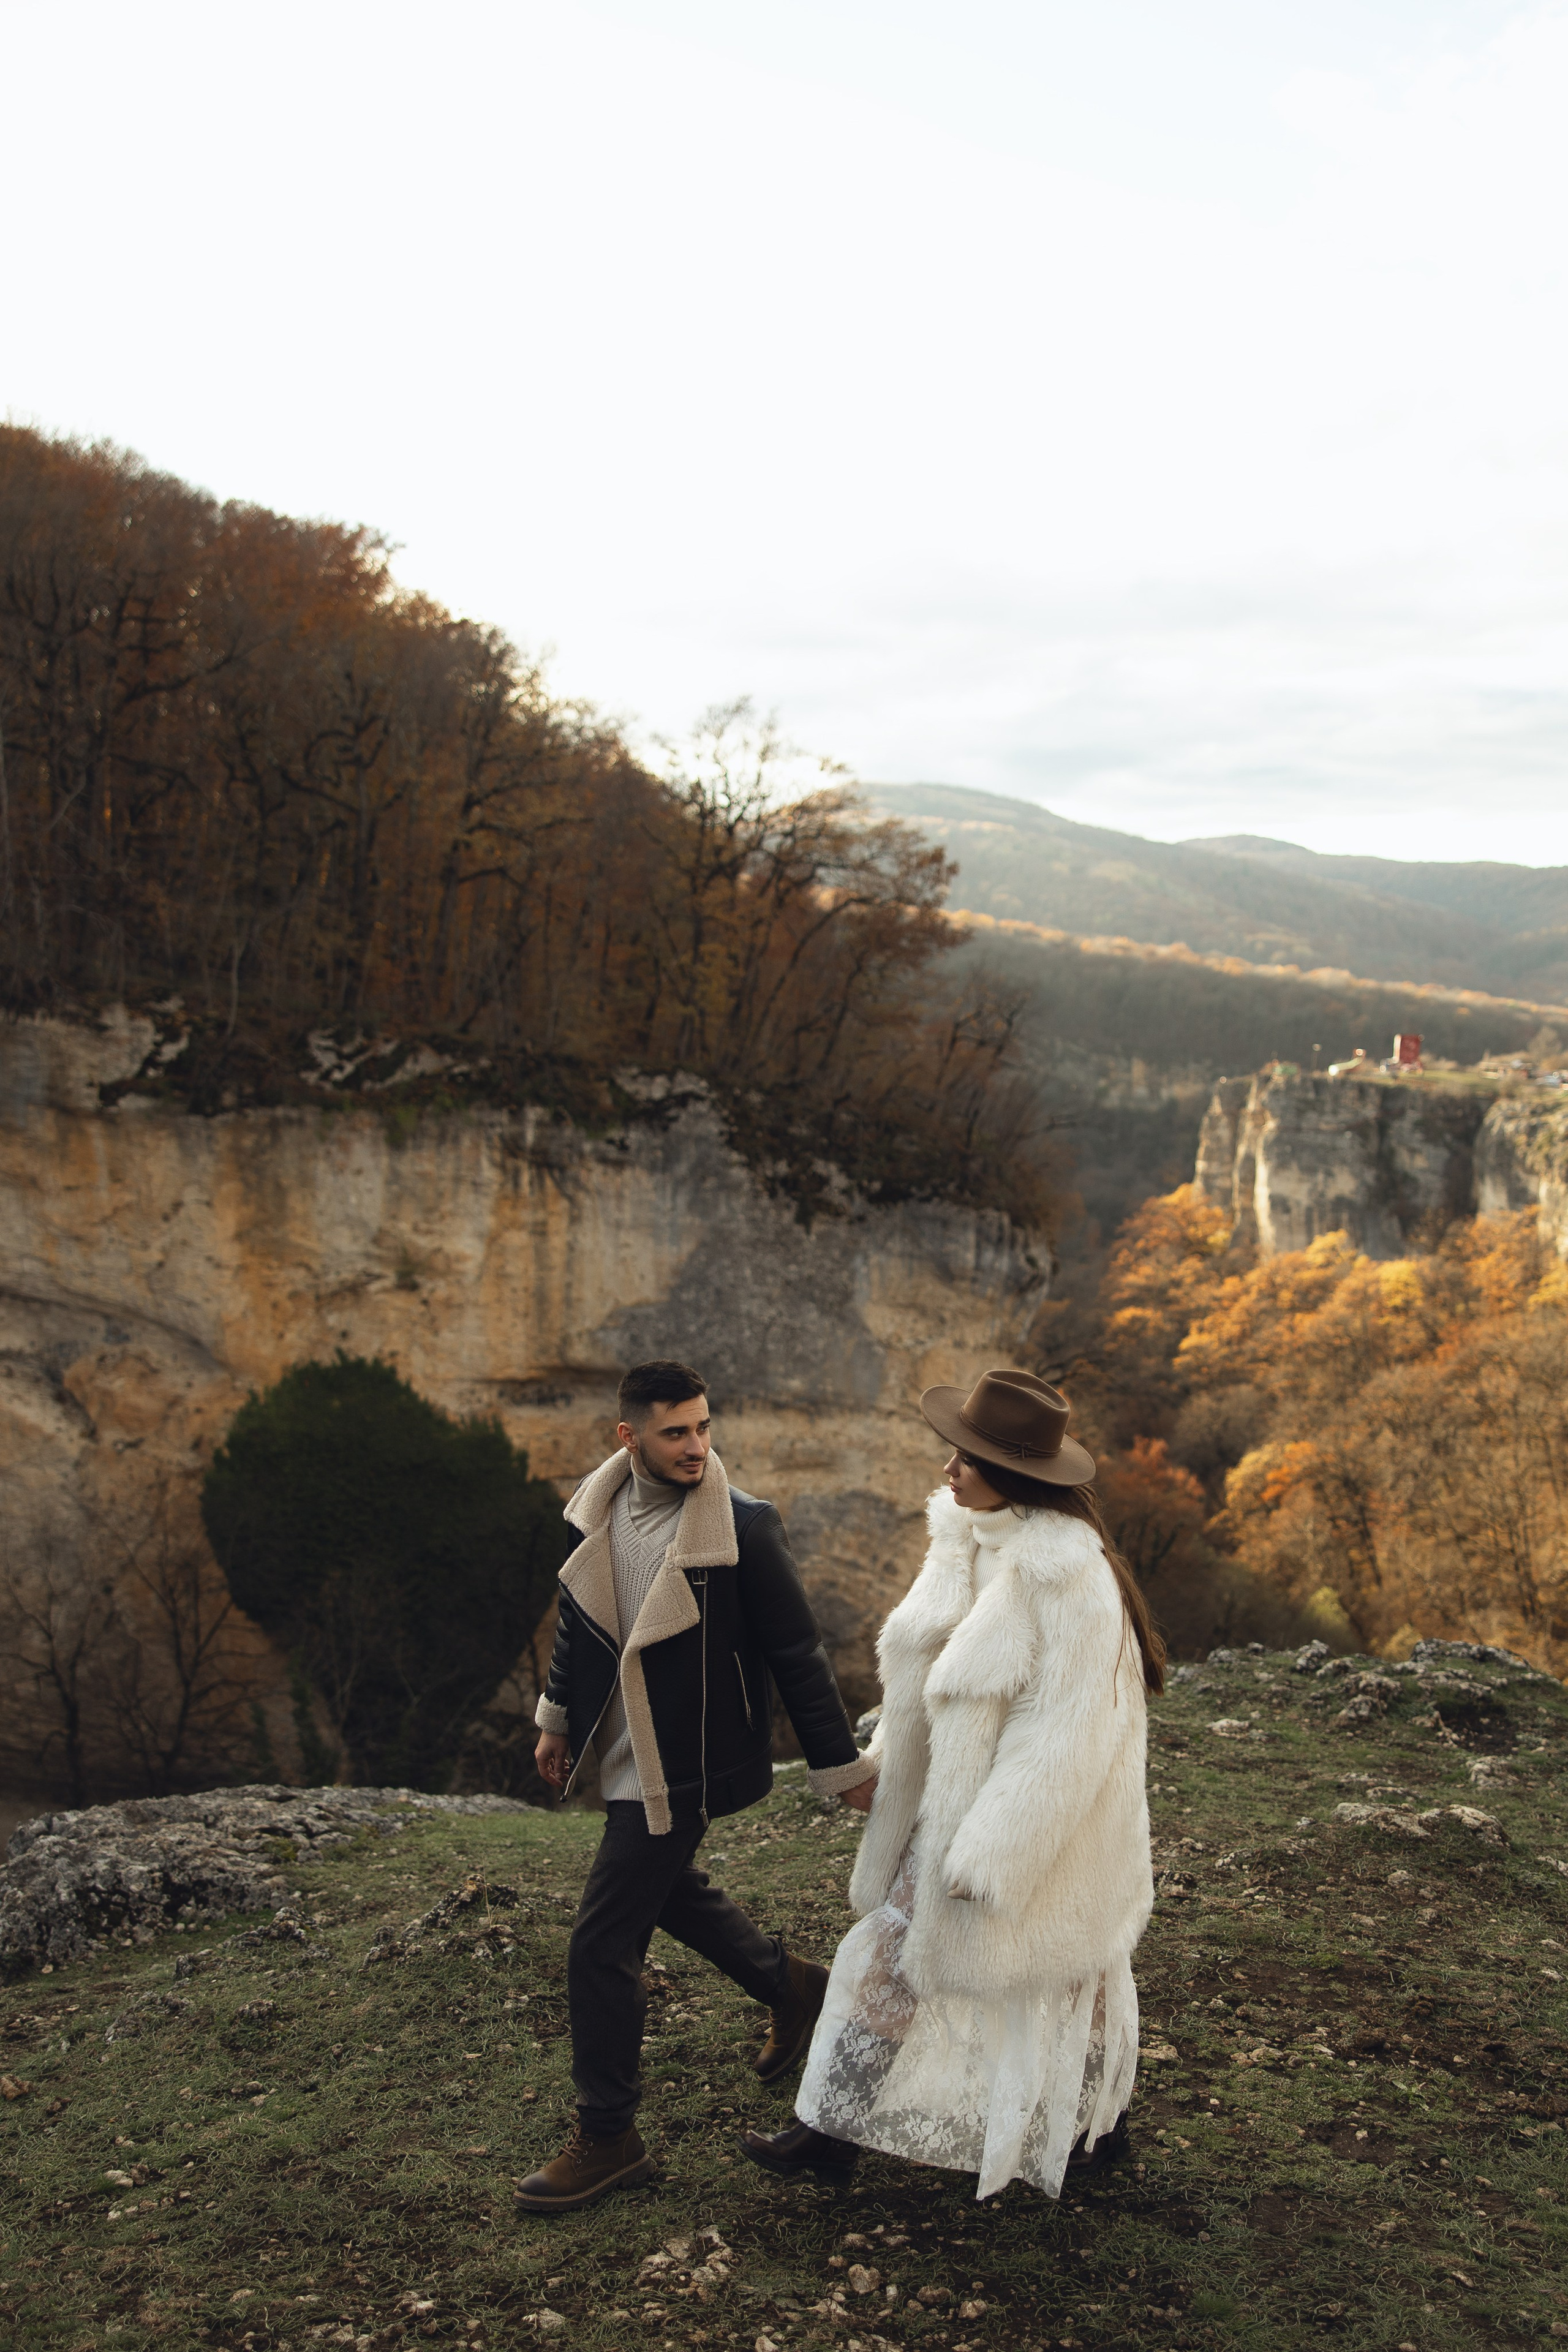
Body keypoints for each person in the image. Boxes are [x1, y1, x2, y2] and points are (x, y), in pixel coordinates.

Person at [741, 1367, 1162, 2202]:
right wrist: (884, 1766)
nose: (948, 1470)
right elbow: (924, 1686)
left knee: (1075, 1966)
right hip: (955, 1803)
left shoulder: (1070, 1576)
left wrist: (994, 1848)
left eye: (965, 1459)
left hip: (1048, 1820)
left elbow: (1068, 1733)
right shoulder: (962, 1541)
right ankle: (830, 2134)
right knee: (894, 1953)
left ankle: (1098, 2128)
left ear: (1010, 1473)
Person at [514, 1359, 877, 2212]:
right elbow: (578, 1623)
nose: (696, 1446)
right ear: (629, 1437)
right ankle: (792, 1986)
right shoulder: (593, 1511)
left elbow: (798, 1654)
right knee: (667, 1890)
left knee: (600, 1947)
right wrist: (556, 1716)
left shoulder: (742, 1526)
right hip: (617, 1748)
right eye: (675, 1431)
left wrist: (839, 1767)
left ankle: (609, 2135)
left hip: (688, 1761)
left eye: (704, 1427)